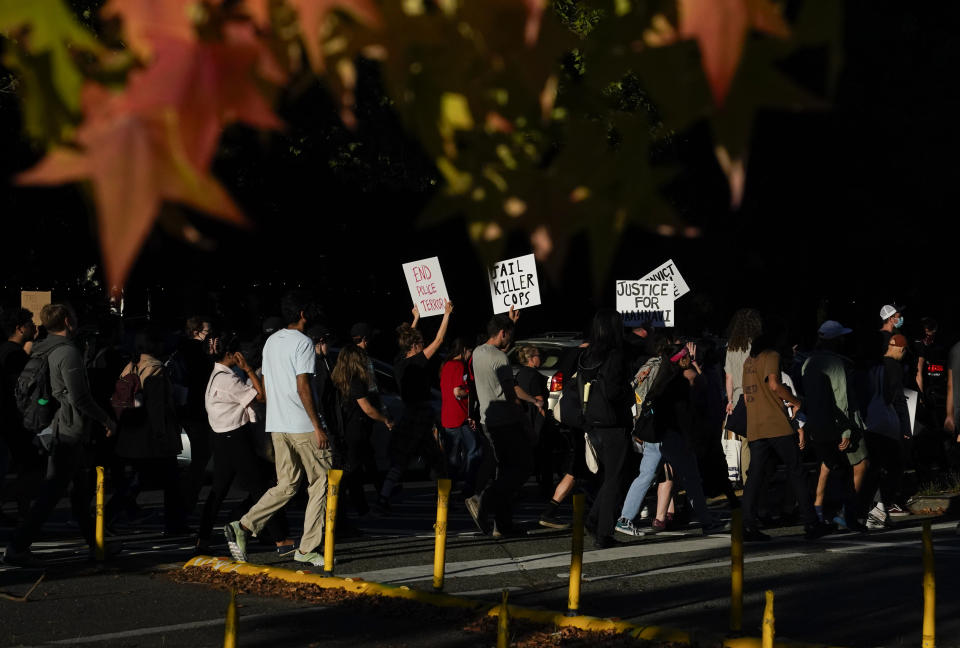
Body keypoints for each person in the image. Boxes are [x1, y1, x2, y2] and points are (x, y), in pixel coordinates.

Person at [224, 290, 335, 567]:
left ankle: (244, 525)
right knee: (321, 481)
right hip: (302, 424)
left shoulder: (271, 342)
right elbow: (303, 386)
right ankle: (307, 547)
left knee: (287, 484)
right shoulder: (304, 343)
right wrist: (317, 426)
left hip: (278, 424)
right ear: (302, 314)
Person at [4, 304, 117, 565]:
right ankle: (18, 546)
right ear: (68, 321)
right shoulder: (67, 352)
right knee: (53, 491)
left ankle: (95, 544)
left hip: (55, 427)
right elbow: (79, 397)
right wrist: (105, 419)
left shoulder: (42, 347)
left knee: (78, 492)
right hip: (68, 429)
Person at [615, 340, 722, 539]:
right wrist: (697, 364)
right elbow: (703, 386)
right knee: (692, 479)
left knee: (645, 475)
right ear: (682, 358)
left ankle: (625, 518)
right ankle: (707, 522)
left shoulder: (662, 376)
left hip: (654, 433)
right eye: (687, 356)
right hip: (674, 435)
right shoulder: (683, 377)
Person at [197, 334, 292, 553]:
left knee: (218, 491)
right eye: (238, 351)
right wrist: (249, 369)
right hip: (236, 437)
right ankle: (280, 539)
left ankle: (202, 539)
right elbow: (261, 396)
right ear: (230, 354)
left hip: (222, 437)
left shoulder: (218, 374)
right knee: (260, 489)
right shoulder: (228, 379)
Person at [740, 330, 827, 542]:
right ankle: (811, 522)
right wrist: (796, 402)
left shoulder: (749, 361)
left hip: (755, 424)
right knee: (796, 470)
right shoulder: (772, 356)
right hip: (775, 423)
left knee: (755, 475)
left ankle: (747, 524)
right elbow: (774, 384)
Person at [465, 308, 537, 537]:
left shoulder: (478, 352)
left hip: (488, 420)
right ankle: (482, 500)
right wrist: (527, 415)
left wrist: (511, 322)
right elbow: (511, 392)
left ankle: (503, 525)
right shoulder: (500, 358)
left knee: (505, 471)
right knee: (521, 468)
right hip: (506, 421)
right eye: (509, 333)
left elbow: (501, 348)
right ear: (503, 333)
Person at [110, 325, 187, 534]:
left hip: (131, 432)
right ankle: (175, 525)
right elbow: (158, 406)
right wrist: (163, 435)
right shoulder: (156, 368)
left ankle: (110, 514)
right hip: (152, 435)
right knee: (170, 481)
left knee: (138, 478)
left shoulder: (130, 366)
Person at [376, 302, 452, 512]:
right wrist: (446, 314)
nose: (423, 345)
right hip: (420, 415)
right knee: (437, 460)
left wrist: (416, 318)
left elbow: (408, 339)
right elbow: (439, 340)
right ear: (415, 346)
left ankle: (383, 498)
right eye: (420, 343)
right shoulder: (416, 363)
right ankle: (444, 502)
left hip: (409, 415)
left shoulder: (399, 361)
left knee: (403, 460)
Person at [801, 321, 868, 532]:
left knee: (829, 464)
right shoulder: (836, 363)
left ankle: (819, 508)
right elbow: (842, 399)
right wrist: (847, 430)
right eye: (841, 337)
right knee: (858, 465)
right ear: (834, 340)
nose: (844, 340)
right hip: (840, 424)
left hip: (818, 425)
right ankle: (848, 514)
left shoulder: (808, 363)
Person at [578, 309, 633, 548]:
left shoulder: (588, 354)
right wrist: (629, 394)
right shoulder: (615, 354)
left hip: (593, 420)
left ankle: (593, 520)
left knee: (609, 476)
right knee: (616, 477)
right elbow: (613, 391)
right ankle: (603, 532)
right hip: (614, 421)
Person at [331, 344, 393, 517]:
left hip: (349, 428)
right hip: (356, 429)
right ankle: (353, 506)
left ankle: (366, 504)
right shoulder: (355, 381)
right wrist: (385, 419)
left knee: (359, 467)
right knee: (353, 470)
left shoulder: (339, 379)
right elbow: (367, 408)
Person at [864, 333, 912, 528]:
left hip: (870, 423)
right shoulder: (894, 367)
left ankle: (867, 510)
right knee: (896, 466)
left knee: (875, 467)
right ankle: (878, 510)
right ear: (900, 349)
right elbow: (898, 400)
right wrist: (906, 428)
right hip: (887, 423)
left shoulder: (874, 366)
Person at [0, 308, 37, 522]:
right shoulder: (13, 355)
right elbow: (20, 389)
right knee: (30, 467)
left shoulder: (7, 350)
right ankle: (10, 501)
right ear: (19, 328)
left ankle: (24, 513)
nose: (34, 327)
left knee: (23, 467)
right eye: (30, 323)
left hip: (9, 419)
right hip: (15, 420)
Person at [179, 315, 214, 514]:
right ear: (196, 332)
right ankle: (187, 502)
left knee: (198, 459)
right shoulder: (197, 353)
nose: (210, 337)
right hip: (197, 410)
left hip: (187, 409)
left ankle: (186, 501)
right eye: (207, 333)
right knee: (201, 458)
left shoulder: (181, 350)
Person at [723, 308, 762, 485]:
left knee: (745, 443)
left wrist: (730, 400)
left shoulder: (732, 347)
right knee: (760, 443)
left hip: (738, 397)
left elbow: (729, 376)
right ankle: (759, 482)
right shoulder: (756, 345)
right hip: (757, 396)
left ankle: (748, 483)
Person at [439, 338, 481, 498]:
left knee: (452, 458)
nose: (470, 355)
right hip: (459, 417)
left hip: (448, 416)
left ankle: (447, 495)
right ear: (464, 350)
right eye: (470, 351)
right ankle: (468, 488)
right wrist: (471, 391)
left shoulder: (446, 365)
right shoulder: (459, 365)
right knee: (475, 450)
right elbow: (458, 392)